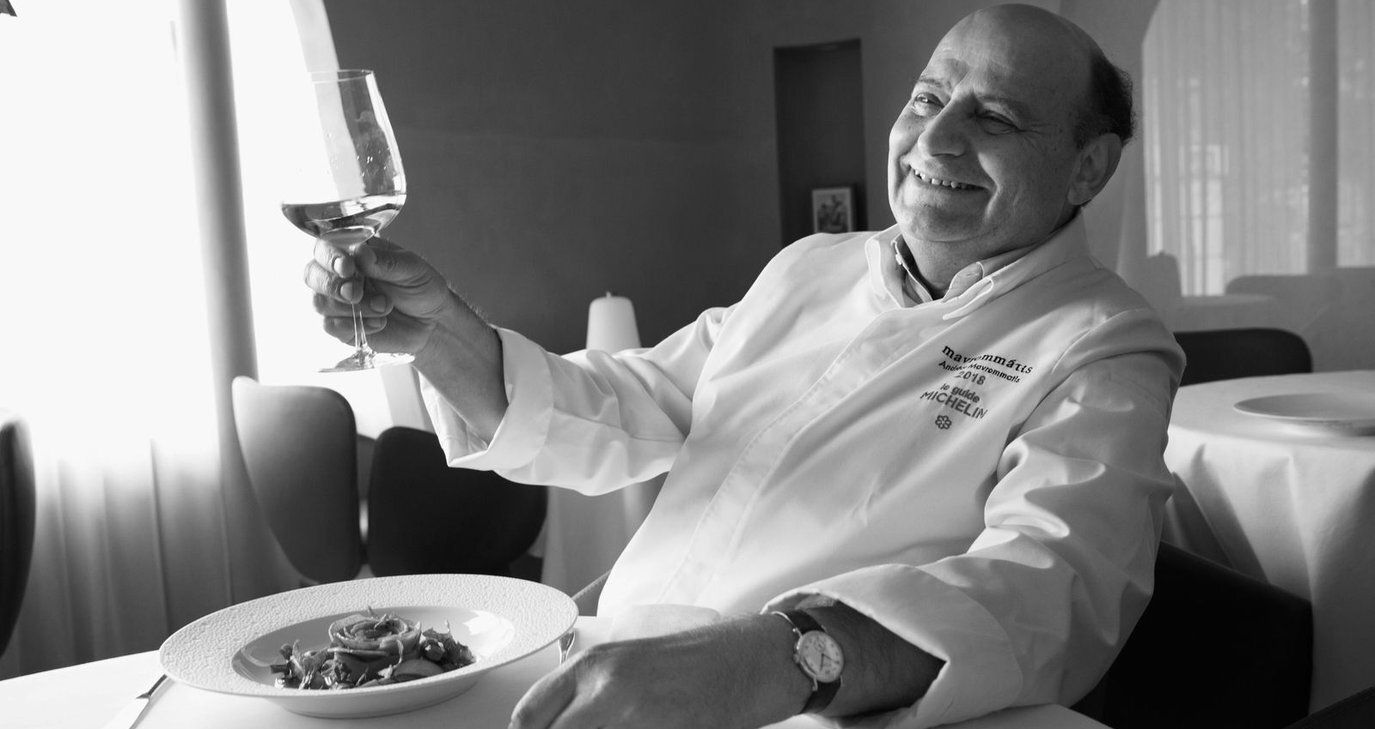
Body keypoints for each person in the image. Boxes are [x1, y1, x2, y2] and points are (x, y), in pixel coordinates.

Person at [304, 4, 1184, 728]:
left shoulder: (1103, 342)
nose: (937, 138)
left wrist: (782, 658)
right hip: (611, 666)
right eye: (927, 97)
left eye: (993, 118)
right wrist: (441, 334)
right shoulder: (810, 266)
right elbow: (632, 398)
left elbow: (1049, 587)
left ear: (1087, 168)